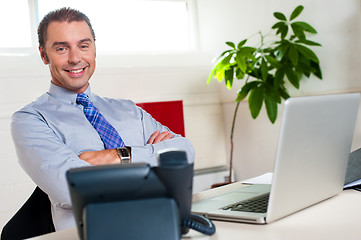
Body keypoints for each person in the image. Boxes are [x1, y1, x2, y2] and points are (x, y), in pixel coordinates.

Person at [11, 7, 195, 231]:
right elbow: (70, 190)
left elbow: (184, 154)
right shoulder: (31, 120)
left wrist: (116, 157)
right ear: (43, 55)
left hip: (158, 226)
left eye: (83, 46)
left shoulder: (128, 110)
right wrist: (153, 163)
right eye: (61, 48)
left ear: (94, 50)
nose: (75, 58)